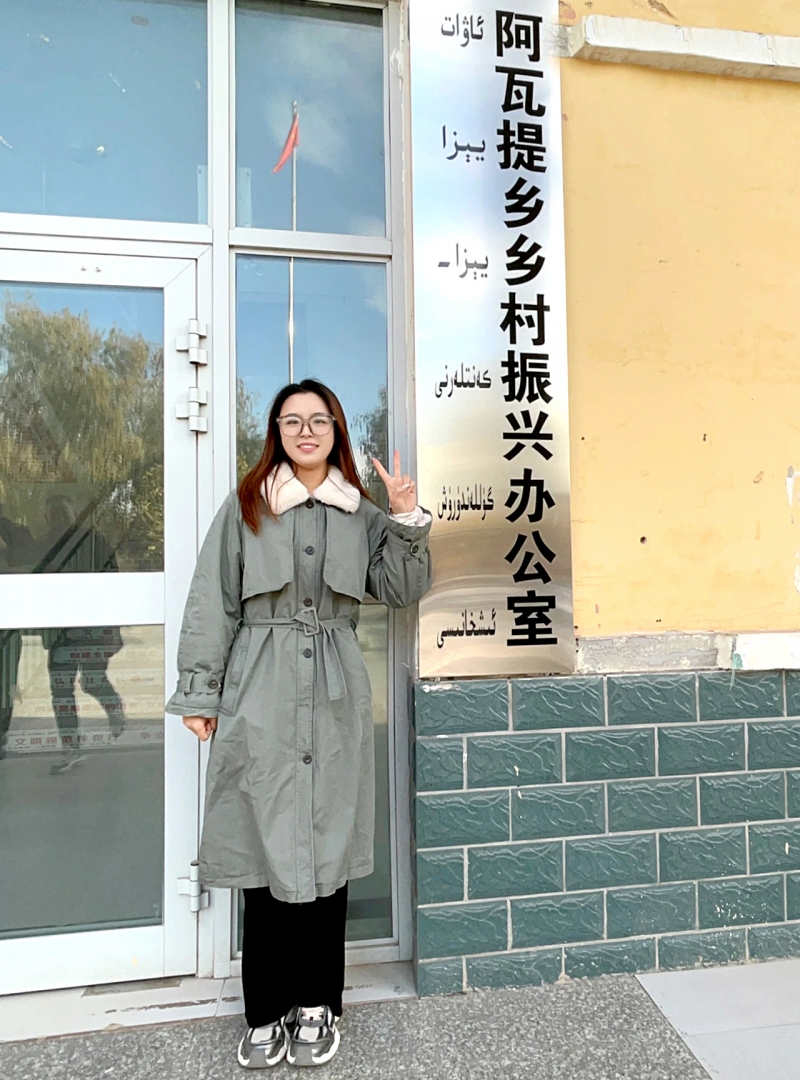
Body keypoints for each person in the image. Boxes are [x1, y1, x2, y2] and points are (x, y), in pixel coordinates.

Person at [166, 379, 431, 1068]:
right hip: (260, 689)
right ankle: (264, 1008)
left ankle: (316, 1003)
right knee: (265, 849)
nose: (305, 431)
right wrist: (200, 693)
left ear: (336, 431)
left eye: (318, 420)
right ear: (276, 432)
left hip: (335, 693)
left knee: (327, 849)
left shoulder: (359, 512)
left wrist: (405, 516)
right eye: (292, 421)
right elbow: (212, 601)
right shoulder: (247, 506)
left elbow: (400, 588)